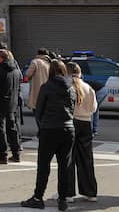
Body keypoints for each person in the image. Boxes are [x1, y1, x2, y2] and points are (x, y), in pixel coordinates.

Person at [21, 59, 76, 211]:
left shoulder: (46, 87)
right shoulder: (71, 87)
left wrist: (44, 124)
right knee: (64, 166)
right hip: (68, 129)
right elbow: (73, 108)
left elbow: (38, 111)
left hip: (50, 129)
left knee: (44, 165)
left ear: (50, 71)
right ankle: (63, 199)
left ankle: (38, 197)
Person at [64, 62, 98, 202]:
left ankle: (68, 193)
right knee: (86, 159)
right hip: (85, 122)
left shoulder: (67, 87)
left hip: (71, 121)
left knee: (68, 158)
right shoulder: (88, 87)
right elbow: (94, 108)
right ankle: (90, 192)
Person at [0, 49, 22, 164]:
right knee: (12, 128)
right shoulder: (16, 71)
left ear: (1, 58)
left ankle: (2, 155)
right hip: (12, 103)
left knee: (0, 129)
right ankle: (16, 153)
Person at [26, 48, 52, 118]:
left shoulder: (35, 62)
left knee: (37, 109)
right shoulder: (50, 63)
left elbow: (28, 74)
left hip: (37, 89)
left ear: (38, 54)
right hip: (48, 88)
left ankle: (40, 126)